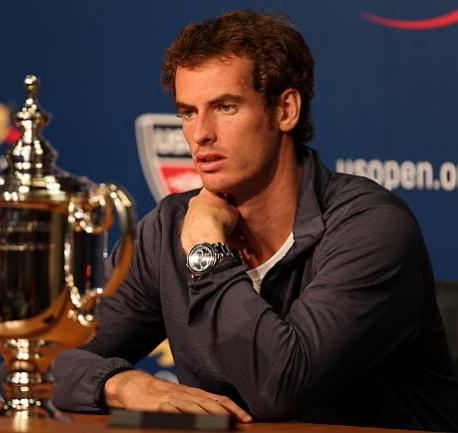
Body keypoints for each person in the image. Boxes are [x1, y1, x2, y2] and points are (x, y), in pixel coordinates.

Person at [52, 10, 458, 431]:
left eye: (225, 107)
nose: (200, 134)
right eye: (188, 112)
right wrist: (124, 385)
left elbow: (280, 384)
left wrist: (207, 249)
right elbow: (49, 357)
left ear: (285, 110)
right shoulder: (168, 229)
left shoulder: (371, 229)